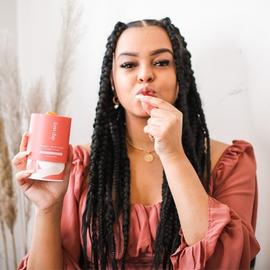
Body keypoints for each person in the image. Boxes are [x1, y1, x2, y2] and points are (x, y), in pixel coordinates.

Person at [14, 17, 260, 269]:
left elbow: (226, 262)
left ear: (181, 77)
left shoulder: (229, 163)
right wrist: (47, 208)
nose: (145, 75)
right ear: (112, 81)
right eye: (129, 64)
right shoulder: (77, 166)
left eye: (161, 62)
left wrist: (174, 155)